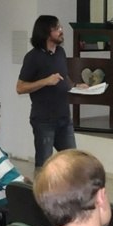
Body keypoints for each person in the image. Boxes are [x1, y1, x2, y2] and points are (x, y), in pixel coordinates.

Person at [17, 15, 85, 169]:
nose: (61, 31)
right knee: (44, 165)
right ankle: (40, 193)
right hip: (43, 120)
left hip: (64, 118)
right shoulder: (33, 57)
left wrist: (76, 85)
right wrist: (45, 81)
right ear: (45, 33)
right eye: (56, 28)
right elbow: (20, 87)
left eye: (60, 27)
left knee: (72, 162)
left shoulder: (60, 52)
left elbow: (63, 77)